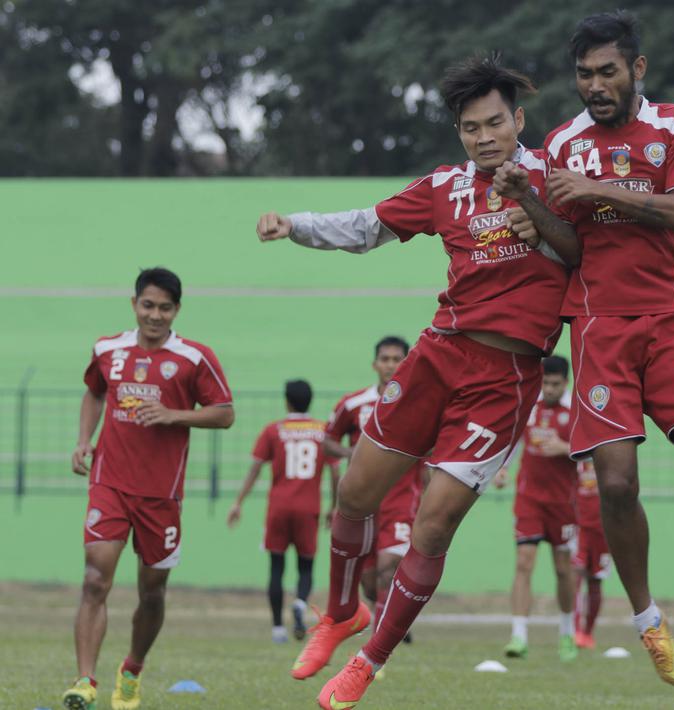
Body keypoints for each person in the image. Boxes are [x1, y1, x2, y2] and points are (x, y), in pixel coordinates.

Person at [255, 56, 573, 709]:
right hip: (436, 355)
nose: (484, 138)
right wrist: (296, 227)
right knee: (353, 493)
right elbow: (368, 227)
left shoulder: (555, 177)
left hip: (505, 377)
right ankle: (340, 611)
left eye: (494, 123)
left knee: (430, 529)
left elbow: (582, 252)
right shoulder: (445, 186)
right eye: (469, 128)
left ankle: (367, 664)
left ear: (518, 119)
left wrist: (533, 212)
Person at [499, 11, 674, 686]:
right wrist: (533, 205)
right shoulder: (562, 142)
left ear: (636, 69)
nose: (594, 85)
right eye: (584, 75)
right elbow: (570, 246)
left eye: (607, 72)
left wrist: (596, 190)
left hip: (672, 322)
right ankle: (648, 621)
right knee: (616, 483)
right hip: (597, 330)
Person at [64, 267, 234, 710]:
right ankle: (85, 681)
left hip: (161, 495)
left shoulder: (195, 358)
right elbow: (95, 393)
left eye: (164, 308)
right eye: (147, 305)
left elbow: (224, 412)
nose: (155, 315)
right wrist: (84, 440)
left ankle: (132, 670)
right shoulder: (107, 349)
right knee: (94, 577)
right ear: (134, 303)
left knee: (152, 592)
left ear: (176, 310)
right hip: (110, 483)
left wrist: (174, 415)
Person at [322, 336, 422, 649]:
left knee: (388, 565)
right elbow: (327, 440)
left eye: (397, 359)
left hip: (401, 499)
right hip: (364, 502)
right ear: (375, 364)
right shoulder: (354, 404)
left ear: (406, 364)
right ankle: (392, 621)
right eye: (385, 359)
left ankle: (377, 648)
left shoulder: (421, 406)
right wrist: (352, 454)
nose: (391, 364)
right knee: (368, 582)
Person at [228, 379, 340, 643]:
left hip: (278, 508)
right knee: (306, 566)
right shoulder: (323, 432)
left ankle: (278, 629)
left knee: (276, 567)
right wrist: (333, 507)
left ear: (286, 401)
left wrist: (238, 502)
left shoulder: (273, 431)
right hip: (308, 508)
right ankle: (300, 603)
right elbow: (336, 472)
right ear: (310, 400)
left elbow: (255, 468)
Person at [493, 356, 579, 662]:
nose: (549, 389)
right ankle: (518, 635)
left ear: (566, 383)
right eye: (545, 383)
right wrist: (501, 469)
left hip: (564, 504)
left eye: (555, 384)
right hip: (529, 500)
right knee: (524, 563)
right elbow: (511, 442)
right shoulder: (529, 408)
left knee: (562, 569)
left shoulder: (577, 412)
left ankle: (567, 633)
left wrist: (565, 449)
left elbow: (595, 452)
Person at [571, 459, 611, 649]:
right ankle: (575, 630)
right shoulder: (576, 460)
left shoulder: (610, 460)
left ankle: (588, 633)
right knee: (576, 574)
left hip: (604, 530)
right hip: (580, 528)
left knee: (596, 580)